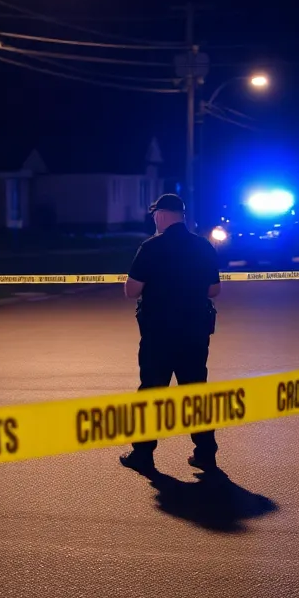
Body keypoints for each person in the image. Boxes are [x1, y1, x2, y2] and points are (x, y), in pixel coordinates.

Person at [118, 193, 223, 473]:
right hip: (194, 332)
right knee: (195, 392)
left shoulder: (151, 247)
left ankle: (143, 454)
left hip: (159, 333)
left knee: (152, 391)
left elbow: (131, 291)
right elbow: (214, 290)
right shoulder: (203, 246)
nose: (154, 219)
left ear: (162, 215)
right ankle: (205, 454)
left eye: (155, 214)